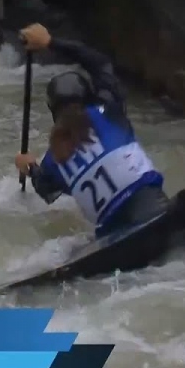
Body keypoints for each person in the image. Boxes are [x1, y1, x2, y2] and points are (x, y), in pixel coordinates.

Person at [13, 23, 169, 239]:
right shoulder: (109, 110)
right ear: (89, 96)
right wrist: (50, 42)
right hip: (155, 207)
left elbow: (46, 189)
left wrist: (29, 166)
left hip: (117, 233)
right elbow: (99, 62)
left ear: (53, 111)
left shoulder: (54, 159)